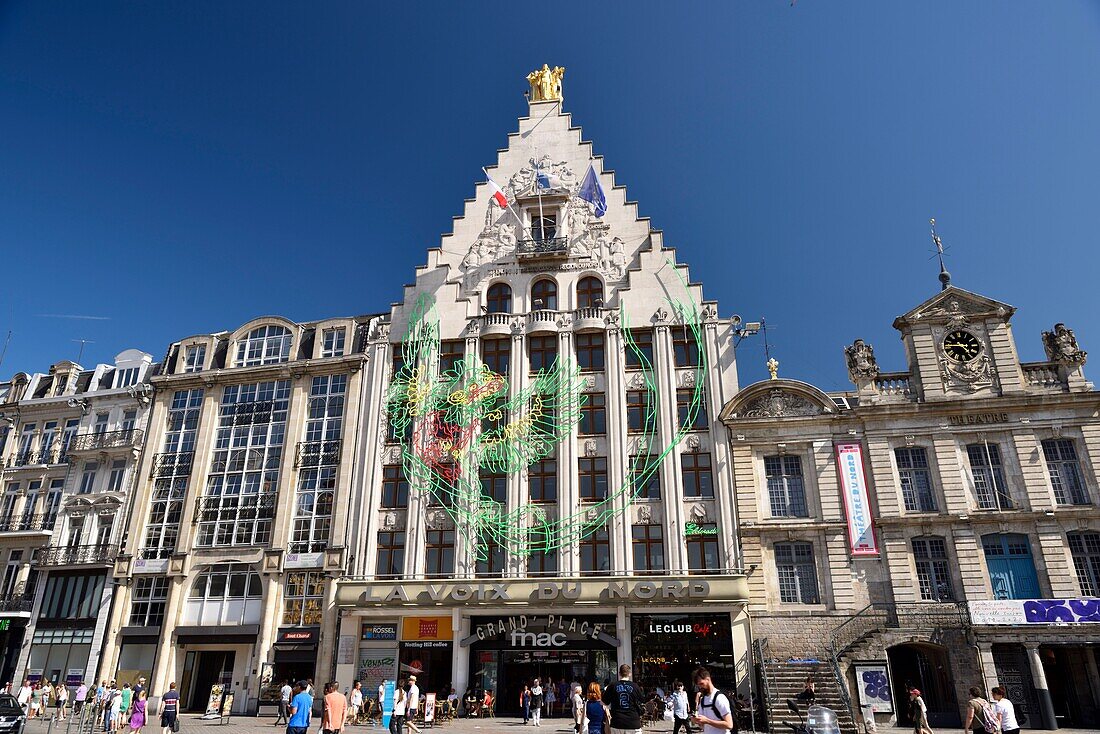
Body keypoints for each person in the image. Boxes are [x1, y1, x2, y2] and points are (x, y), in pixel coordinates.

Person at [602, 665, 645, 734]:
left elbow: (604, 702)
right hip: (633, 722)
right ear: (630, 674)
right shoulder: (635, 686)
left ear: (619, 673)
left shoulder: (613, 686)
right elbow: (642, 700)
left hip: (617, 721)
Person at [690, 667, 734, 734]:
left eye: (701, 684)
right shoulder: (703, 700)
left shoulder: (719, 698)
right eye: (698, 685)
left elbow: (729, 725)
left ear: (708, 679)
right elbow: (703, 726)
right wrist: (696, 721)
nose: (700, 687)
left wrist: (707, 721)